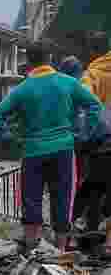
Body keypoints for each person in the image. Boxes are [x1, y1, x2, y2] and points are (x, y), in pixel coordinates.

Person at [0, 45, 102, 254]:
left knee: (31, 199)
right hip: (63, 151)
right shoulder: (69, 83)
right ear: (50, 58)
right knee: (62, 198)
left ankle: (32, 247)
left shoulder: (22, 89)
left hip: (32, 152)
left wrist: (10, 138)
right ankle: (60, 250)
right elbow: (95, 106)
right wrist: (83, 134)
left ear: (29, 62)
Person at [72, 41, 111, 255]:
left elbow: (83, 107)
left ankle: (89, 236)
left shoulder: (92, 74)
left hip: (100, 145)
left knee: (92, 190)